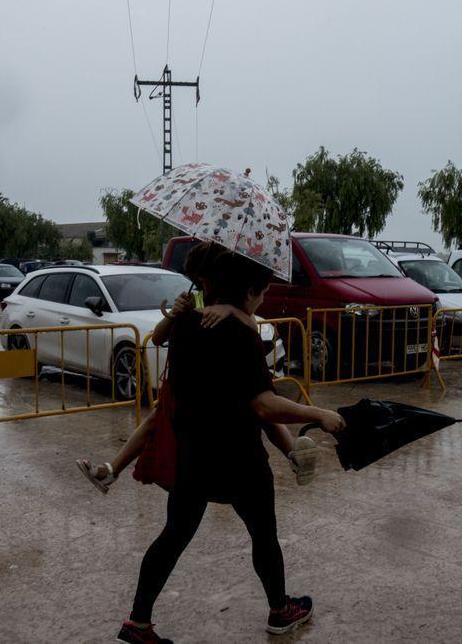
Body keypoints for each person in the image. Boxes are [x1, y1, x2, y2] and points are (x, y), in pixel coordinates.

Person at [116, 252, 345, 643]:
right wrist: (318, 413)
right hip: (239, 460)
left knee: (172, 536)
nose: (262, 301)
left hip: (192, 456)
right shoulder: (242, 336)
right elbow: (262, 403)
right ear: (249, 291)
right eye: (262, 293)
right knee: (264, 535)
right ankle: (280, 610)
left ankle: (138, 622)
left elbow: (161, 339)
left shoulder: (185, 325)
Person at [77, 244, 317, 492]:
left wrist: (230, 309)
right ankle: (112, 469)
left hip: (215, 395)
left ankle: (112, 470)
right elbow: (159, 338)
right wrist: (174, 314)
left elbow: (247, 327)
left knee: (261, 408)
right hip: (208, 396)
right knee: (260, 407)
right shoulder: (195, 306)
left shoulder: (228, 305)